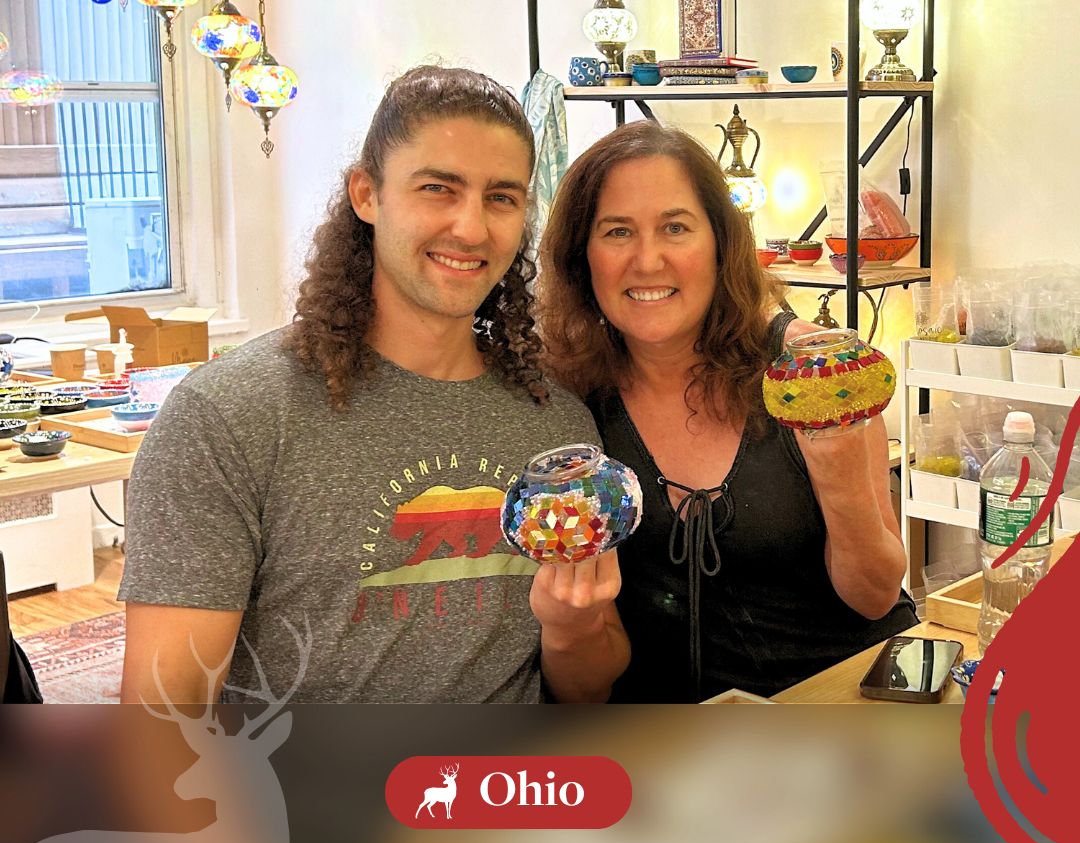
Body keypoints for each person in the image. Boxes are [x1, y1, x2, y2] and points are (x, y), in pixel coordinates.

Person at [119, 66, 628, 705]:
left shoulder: (558, 431)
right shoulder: (226, 417)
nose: (471, 228)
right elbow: (164, 712)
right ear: (366, 194)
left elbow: (585, 694)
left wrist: (572, 627)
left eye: (501, 197)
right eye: (438, 188)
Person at [539, 121, 916, 703]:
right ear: (580, 254)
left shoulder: (811, 375)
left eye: (675, 227)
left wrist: (841, 476)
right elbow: (581, 680)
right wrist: (566, 625)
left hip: (836, 706)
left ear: (720, 243)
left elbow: (875, 597)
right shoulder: (569, 404)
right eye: (617, 231)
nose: (648, 260)